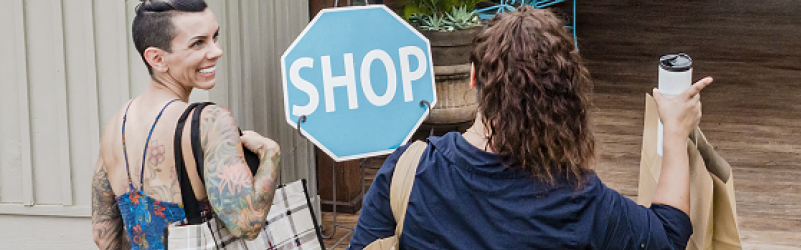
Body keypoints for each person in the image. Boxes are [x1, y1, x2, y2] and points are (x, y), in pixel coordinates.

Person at [347, 6, 714, 250]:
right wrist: (676, 133)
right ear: (566, 96)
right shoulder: (580, 200)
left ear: (473, 78)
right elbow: (667, 235)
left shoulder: (409, 173)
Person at [91, 1, 282, 249]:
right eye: (198, 43)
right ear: (156, 58)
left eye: (215, 37)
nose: (216, 51)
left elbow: (103, 235)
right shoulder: (210, 121)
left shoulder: (115, 126)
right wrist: (271, 153)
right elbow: (247, 224)